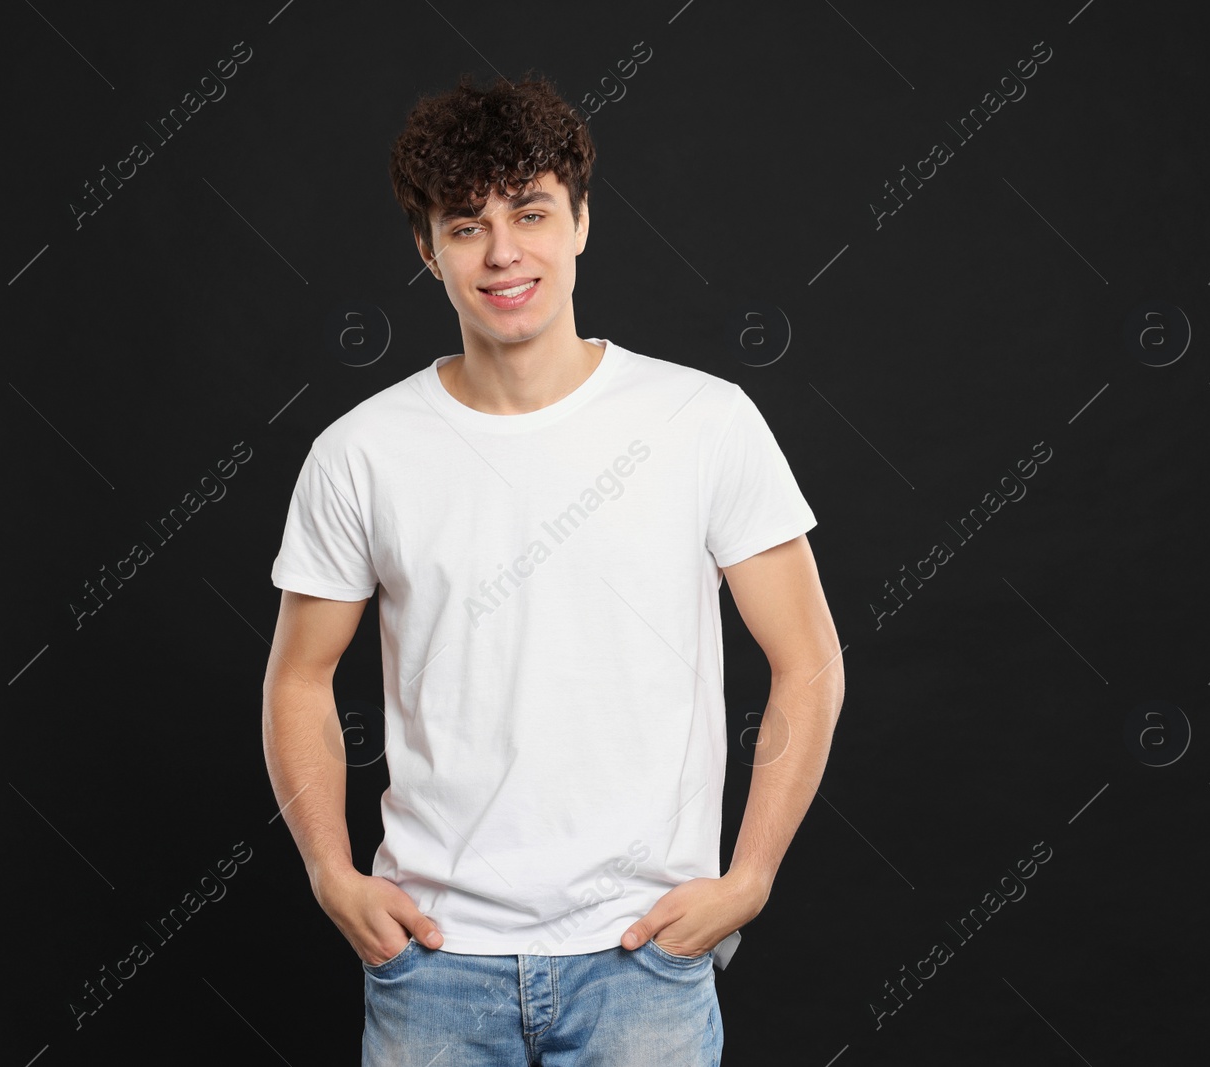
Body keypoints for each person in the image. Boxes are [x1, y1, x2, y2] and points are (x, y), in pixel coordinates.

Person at [262, 71, 844, 1066]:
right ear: (425, 248)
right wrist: (329, 869)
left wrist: (747, 879)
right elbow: (298, 675)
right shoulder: (361, 451)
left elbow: (808, 659)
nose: (501, 252)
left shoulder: (701, 421)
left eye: (529, 212)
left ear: (579, 220)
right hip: (433, 967)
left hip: (642, 960)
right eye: (463, 224)